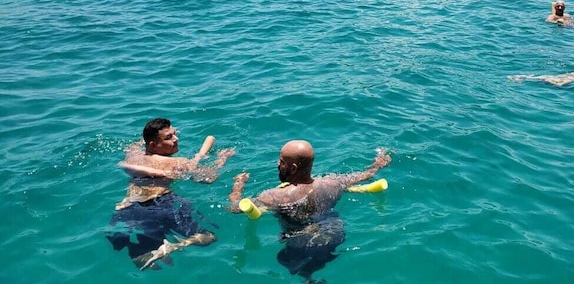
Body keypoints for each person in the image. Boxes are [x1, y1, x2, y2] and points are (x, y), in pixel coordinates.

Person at [228, 140, 391, 281]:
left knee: (285, 260)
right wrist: (378, 164)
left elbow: (234, 209)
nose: (277, 164)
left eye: (281, 161)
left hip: (302, 245)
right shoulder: (332, 183)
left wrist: (238, 185)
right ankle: (310, 278)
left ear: (293, 168)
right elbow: (364, 175)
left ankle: (308, 279)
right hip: (334, 235)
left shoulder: (275, 196)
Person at [106, 118, 234, 270]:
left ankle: (143, 253)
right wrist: (222, 159)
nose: (176, 139)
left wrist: (155, 136)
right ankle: (173, 246)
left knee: (146, 244)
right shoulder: (176, 162)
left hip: (131, 207)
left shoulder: (132, 155)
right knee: (209, 237)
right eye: (169, 137)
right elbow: (208, 178)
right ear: (153, 145)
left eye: (175, 134)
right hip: (161, 204)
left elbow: (135, 144)